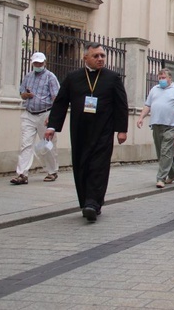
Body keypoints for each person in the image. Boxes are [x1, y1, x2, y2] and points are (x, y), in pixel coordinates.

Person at [45, 43, 129, 222]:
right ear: (85, 58)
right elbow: (60, 102)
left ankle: (93, 202)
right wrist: (52, 126)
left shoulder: (112, 77)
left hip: (103, 130)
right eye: (96, 56)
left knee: (98, 167)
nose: (100, 59)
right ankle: (86, 201)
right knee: (81, 165)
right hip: (80, 130)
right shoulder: (73, 77)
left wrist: (122, 130)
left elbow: (121, 105)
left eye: (102, 56)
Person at [11, 52, 60, 185]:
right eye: (36, 63)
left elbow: (56, 99)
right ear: (32, 63)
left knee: (46, 144)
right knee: (25, 144)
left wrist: (52, 116)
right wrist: (26, 95)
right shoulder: (28, 76)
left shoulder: (51, 77)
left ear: (45, 62)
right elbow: (22, 94)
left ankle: (52, 171)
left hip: (45, 113)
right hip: (29, 113)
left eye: (40, 63)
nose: (38, 65)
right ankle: (22, 174)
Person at [136, 68, 174, 188]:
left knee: (166, 152)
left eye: (164, 78)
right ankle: (172, 174)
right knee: (160, 152)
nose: (161, 80)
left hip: (171, 125)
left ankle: (161, 178)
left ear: (170, 78)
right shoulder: (154, 89)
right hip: (156, 124)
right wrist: (141, 117)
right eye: (160, 78)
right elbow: (148, 105)